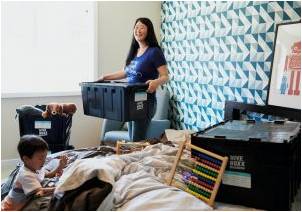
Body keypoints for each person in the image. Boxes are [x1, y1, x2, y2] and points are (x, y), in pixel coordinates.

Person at [96, 17, 169, 142]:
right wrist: (104, 77)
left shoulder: (154, 52)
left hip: (144, 102)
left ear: (148, 31)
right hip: (129, 102)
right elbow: (125, 73)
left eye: (142, 27)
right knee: (131, 140)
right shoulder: (134, 52)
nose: (138, 30)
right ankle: (133, 159)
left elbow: (165, 76)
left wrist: (155, 82)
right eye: (136, 27)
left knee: (136, 141)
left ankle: (138, 160)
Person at [1, 135, 68, 211]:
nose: (44, 160)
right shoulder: (26, 175)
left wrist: (60, 166)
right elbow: (40, 191)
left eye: (45, 157)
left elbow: (49, 175)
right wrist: (60, 187)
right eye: (40, 158)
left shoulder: (36, 167)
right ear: (26, 159)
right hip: (10, 207)